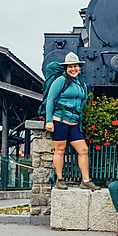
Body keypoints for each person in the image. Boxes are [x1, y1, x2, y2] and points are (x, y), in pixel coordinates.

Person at [45, 52, 98, 191]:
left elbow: (84, 99)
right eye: (70, 67)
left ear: (79, 68)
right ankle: (59, 179)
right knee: (60, 150)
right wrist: (49, 120)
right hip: (59, 120)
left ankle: (85, 181)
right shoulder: (61, 81)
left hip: (74, 122)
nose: (73, 69)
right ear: (66, 68)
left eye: (75, 66)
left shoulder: (81, 84)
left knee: (83, 150)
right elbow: (50, 99)